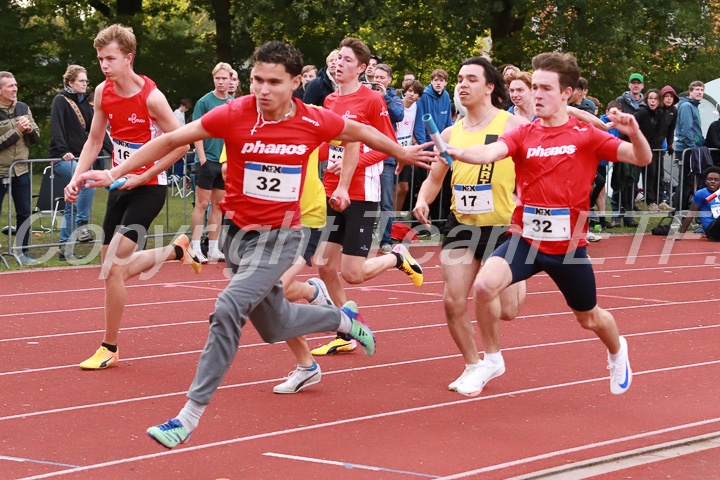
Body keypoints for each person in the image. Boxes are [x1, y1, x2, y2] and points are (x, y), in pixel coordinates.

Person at [75, 40, 434, 448]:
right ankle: (343, 321)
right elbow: (171, 141)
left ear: (296, 82)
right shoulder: (234, 113)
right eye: (257, 80)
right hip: (237, 237)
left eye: (275, 82)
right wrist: (115, 173)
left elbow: (361, 131)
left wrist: (399, 151)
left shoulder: (314, 119)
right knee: (275, 324)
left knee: (227, 306)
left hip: (283, 236)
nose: (263, 90)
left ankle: (187, 417)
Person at [443, 52, 650, 397]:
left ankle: (617, 352)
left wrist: (635, 133)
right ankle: (491, 359)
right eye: (534, 87)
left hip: (567, 249)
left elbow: (641, 158)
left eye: (545, 88)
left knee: (589, 318)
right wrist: (458, 152)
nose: (536, 95)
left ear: (566, 93)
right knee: (482, 287)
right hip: (526, 240)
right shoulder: (524, 133)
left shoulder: (586, 136)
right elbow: (489, 153)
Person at [63, 24, 201, 370]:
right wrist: (78, 178)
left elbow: (181, 143)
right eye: (99, 59)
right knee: (109, 268)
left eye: (110, 58)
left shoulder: (152, 98)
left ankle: (109, 346)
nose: (104, 65)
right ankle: (175, 250)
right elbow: (94, 141)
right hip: (118, 186)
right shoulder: (102, 92)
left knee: (113, 271)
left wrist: (144, 174)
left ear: (128, 57)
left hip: (150, 187)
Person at [413, 57, 528, 392]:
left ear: (490, 87)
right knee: (453, 300)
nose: (461, 85)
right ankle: (475, 364)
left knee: (508, 310)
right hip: (461, 224)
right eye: (459, 79)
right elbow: (436, 177)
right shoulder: (451, 132)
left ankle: (522, 274)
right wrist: (423, 199)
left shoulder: (513, 126)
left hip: (503, 227)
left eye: (471, 79)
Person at [311, 37, 425, 356]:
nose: (338, 63)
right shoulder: (331, 102)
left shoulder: (372, 100)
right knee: (323, 266)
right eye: (336, 58)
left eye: (346, 60)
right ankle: (346, 330)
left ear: (361, 68)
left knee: (353, 273)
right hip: (333, 190)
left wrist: (355, 161)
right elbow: (327, 144)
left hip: (363, 193)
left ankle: (397, 257)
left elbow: (387, 145)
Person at [49, 65, 113, 260]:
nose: (85, 84)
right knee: (86, 184)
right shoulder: (60, 100)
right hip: (63, 158)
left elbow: (98, 132)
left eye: (86, 81)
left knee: (72, 201)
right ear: (70, 83)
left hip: (81, 158)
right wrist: (64, 151)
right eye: (81, 81)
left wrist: (114, 151)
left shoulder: (85, 103)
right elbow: (57, 128)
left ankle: (65, 248)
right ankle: (82, 225)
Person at [191, 62, 232, 263]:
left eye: (224, 78)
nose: (221, 82)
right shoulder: (204, 102)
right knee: (201, 204)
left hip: (225, 163)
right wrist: (202, 159)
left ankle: (214, 249)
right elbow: (196, 130)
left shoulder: (234, 103)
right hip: (207, 161)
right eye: (218, 78)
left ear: (231, 79)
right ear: (213, 79)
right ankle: (195, 247)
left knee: (218, 206)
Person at [0, 71, 41, 266]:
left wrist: (30, 130)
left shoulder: (23, 107)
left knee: (25, 212)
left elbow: (36, 138)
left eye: (15, 85)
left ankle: (23, 252)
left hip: (21, 170)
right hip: (0, 171)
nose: (15, 89)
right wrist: (17, 131)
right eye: (10, 86)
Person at [413, 68, 452, 225]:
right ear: (431, 81)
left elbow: (448, 122)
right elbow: (420, 123)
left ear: (445, 83)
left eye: (441, 80)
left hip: (442, 148)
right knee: (425, 184)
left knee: (443, 186)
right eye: (435, 80)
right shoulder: (424, 97)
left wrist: (448, 143)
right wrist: (427, 147)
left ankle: (438, 221)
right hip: (428, 148)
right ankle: (420, 221)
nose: (438, 83)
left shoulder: (447, 96)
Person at [372, 63, 404, 253]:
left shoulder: (394, 98)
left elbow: (398, 115)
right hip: (366, 154)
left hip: (386, 158)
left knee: (385, 202)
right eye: (376, 77)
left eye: (382, 77)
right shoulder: (364, 93)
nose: (378, 81)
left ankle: (385, 240)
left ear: (389, 80)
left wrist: (384, 98)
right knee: (363, 199)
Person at [610, 73, 645, 227]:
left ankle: (629, 216)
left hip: (637, 146)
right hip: (622, 145)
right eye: (633, 83)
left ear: (642, 85)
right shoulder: (621, 101)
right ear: (629, 85)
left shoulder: (645, 102)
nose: (636, 85)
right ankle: (615, 216)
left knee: (633, 182)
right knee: (619, 181)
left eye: (639, 83)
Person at [633, 88, 667, 211]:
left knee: (656, 174)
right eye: (651, 99)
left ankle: (657, 201)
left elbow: (660, 131)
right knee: (643, 175)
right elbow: (632, 127)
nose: (653, 101)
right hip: (639, 148)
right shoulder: (641, 112)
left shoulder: (660, 113)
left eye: (656, 99)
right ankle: (644, 202)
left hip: (653, 148)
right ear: (647, 100)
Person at [674, 81, 705, 210]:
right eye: (697, 89)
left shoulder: (693, 106)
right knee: (685, 183)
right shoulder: (687, 106)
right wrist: (693, 147)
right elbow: (687, 130)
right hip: (686, 149)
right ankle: (679, 211)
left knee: (688, 182)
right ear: (690, 91)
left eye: (702, 90)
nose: (699, 92)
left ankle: (682, 210)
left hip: (691, 148)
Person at [394, 80, 423, 214]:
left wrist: (416, 142)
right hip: (393, 149)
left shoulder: (417, 107)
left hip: (406, 150)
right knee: (394, 187)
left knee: (404, 187)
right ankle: (389, 217)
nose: (412, 94)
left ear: (419, 96)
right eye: (410, 91)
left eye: (415, 92)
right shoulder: (397, 104)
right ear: (404, 92)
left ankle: (396, 217)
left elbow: (414, 126)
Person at [670, 166, 720, 241]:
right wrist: (680, 235)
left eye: (716, 180)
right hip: (711, 230)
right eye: (710, 179)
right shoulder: (701, 194)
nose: (712, 181)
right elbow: (690, 214)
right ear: (706, 181)